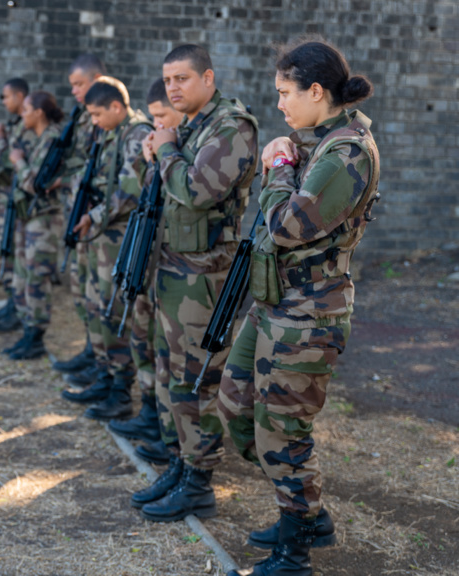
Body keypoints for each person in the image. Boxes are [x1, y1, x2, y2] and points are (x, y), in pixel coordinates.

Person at [221, 40, 380, 576]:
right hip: (276, 300)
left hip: (310, 313)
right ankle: (307, 513)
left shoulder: (346, 153)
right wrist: (288, 156)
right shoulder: (318, 140)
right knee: (236, 405)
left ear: (317, 91)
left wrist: (278, 168)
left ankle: (295, 551)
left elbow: (286, 226)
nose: (281, 106)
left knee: (282, 429)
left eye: (286, 94)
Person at [137, 45, 258, 523]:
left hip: (204, 277)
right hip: (173, 269)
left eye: (183, 78)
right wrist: (160, 151)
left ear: (208, 78)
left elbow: (197, 189)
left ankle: (200, 480)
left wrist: (165, 147)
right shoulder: (190, 127)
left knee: (195, 379)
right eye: (168, 80)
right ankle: (179, 463)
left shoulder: (232, 127)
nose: (173, 88)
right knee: (170, 374)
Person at [60, 76, 153, 421]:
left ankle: (120, 390)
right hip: (103, 233)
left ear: (117, 106)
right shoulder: (112, 133)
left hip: (119, 235)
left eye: (98, 114)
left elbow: (130, 190)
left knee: (113, 311)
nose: (94, 122)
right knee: (97, 306)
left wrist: (95, 214)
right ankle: (106, 376)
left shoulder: (137, 134)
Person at [108, 79, 183, 452]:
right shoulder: (163, 145)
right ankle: (151, 412)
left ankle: (168, 432)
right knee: (142, 337)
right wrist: (150, 158)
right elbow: (143, 189)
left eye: (162, 118)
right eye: (153, 118)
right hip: (149, 255)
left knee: (165, 349)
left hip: (174, 263)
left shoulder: (184, 148)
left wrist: (163, 152)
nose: (156, 126)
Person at [52, 54, 107, 380]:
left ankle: (101, 359)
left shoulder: (105, 117)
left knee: (95, 293)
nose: (74, 91)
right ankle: (91, 350)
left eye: (79, 84)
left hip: (96, 219)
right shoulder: (83, 116)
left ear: (97, 79)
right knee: (81, 290)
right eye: (72, 85)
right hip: (79, 212)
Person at [3, 91, 66, 359]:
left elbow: (37, 184)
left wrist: (19, 163)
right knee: (23, 275)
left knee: (37, 277)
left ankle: (36, 336)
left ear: (39, 112)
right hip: (28, 215)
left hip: (44, 217)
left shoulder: (53, 139)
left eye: (27, 109)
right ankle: (28, 330)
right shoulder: (38, 138)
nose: (22, 114)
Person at [0, 78, 37, 332]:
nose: (4, 102)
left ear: (19, 96)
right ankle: (12, 303)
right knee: (8, 249)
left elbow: (8, 161)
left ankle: (18, 307)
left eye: (6, 97)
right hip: (8, 196)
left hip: (17, 199)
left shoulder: (27, 127)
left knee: (14, 251)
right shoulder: (15, 125)